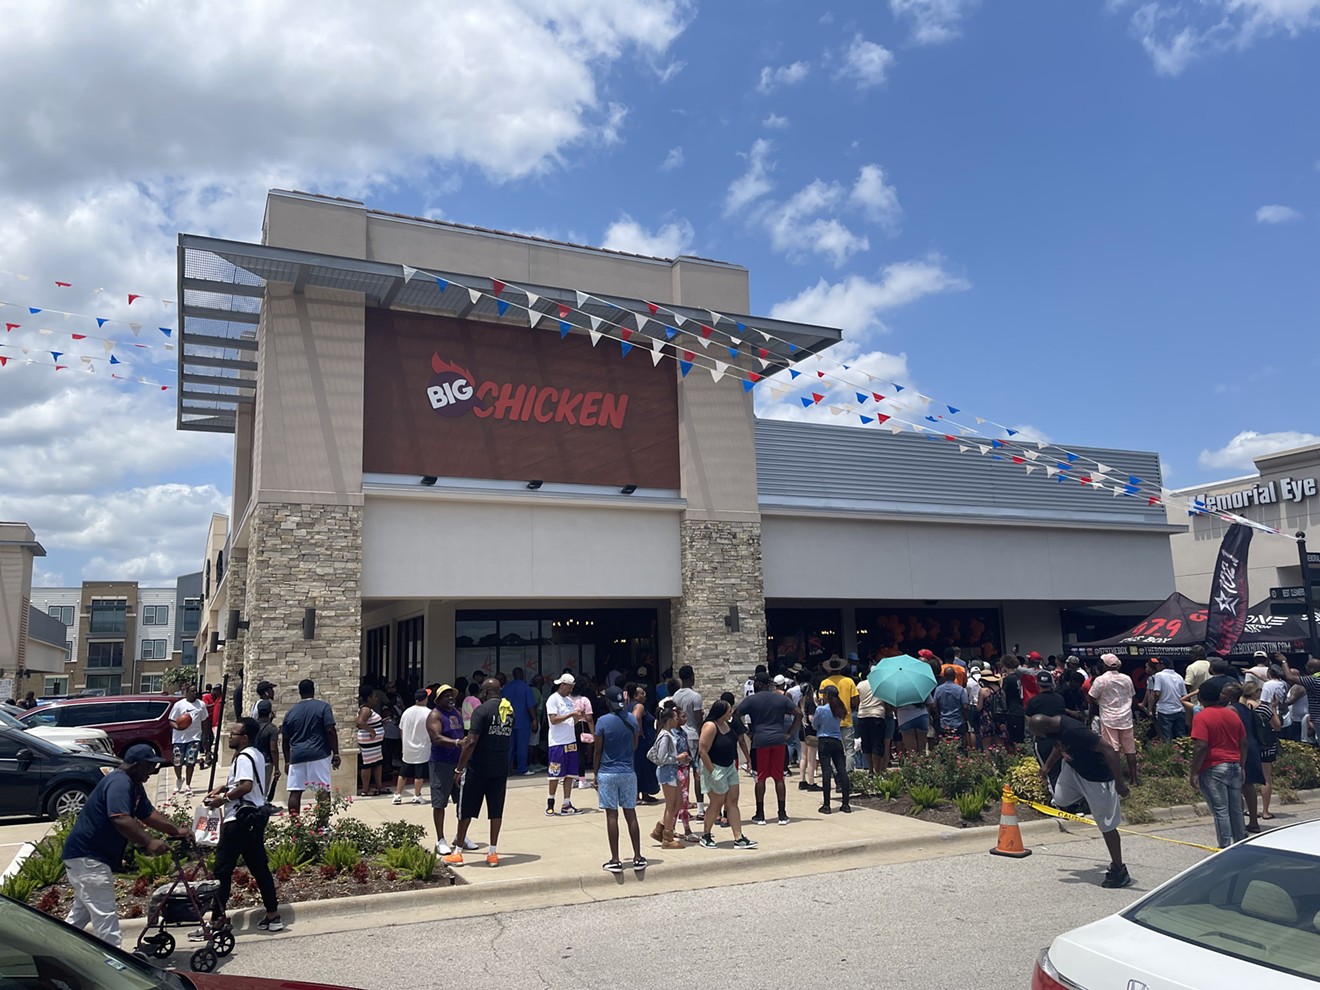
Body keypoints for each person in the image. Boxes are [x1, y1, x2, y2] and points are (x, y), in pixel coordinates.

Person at [61, 744, 192, 947]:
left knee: (81, 915)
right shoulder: (119, 783)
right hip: (88, 857)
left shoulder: (133, 784)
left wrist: (175, 831)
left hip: (87, 857)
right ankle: (116, 966)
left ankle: (57, 953)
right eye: (150, 766)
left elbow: (148, 814)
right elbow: (120, 818)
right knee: (105, 916)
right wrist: (149, 842)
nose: (153, 771)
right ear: (137, 766)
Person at [198, 718, 282, 936]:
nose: (229, 736)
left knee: (222, 870)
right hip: (253, 819)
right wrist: (223, 786)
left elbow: (246, 785)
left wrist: (222, 799)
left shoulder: (244, 757)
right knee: (259, 867)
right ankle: (273, 916)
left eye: (234, 734)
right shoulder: (254, 754)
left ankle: (217, 920)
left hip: (239, 820)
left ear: (244, 738)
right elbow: (243, 781)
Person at [1029, 714, 1132, 888]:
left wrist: (1120, 784)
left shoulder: (1075, 731)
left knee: (1107, 825)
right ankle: (1087, 799)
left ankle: (1119, 870)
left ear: (1046, 728)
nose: (1038, 738)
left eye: (1038, 734)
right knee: (1060, 799)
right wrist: (1047, 765)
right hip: (1074, 770)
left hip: (1098, 778)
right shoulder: (1053, 728)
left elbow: (1109, 750)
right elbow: (1059, 746)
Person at [443, 679, 514, 867]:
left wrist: (459, 768)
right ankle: (492, 853)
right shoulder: (508, 711)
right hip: (500, 768)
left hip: (478, 768)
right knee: (496, 810)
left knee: (465, 809)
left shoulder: (481, 711)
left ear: (485, 692)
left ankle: (457, 852)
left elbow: (471, 742)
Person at [735, 672, 801, 826]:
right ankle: (782, 814)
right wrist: (789, 733)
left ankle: (760, 814)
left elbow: (735, 716)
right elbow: (798, 713)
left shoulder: (751, 700)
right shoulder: (781, 699)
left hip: (760, 741)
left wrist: (747, 733)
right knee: (779, 778)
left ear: (758, 684)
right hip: (779, 740)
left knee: (760, 778)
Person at [1189, 677, 1246, 849]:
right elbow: (1243, 742)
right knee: (1235, 808)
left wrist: (1194, 772)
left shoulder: (1201, 717)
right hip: (1234, 764)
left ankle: (1224, 847)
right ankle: (1240, 842)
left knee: (1220, 810)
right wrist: (1242, 765)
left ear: (1201, 698)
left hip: (1213, 766)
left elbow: (1201, 746)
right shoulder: (1232, 714)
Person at [594, 686, 647, 873]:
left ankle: (615, 859)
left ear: (608, 702)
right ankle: (638, 857)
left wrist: (595, 774)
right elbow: (634, 745)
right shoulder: (631, 719)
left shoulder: (602, 721)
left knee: (611, 815)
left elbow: (598, 750)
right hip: (627, 771)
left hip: (608, 772)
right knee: (630, 813)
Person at [696, 701, 757, 850]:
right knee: (717, 803)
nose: (731, 713)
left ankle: (739, 837)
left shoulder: (727, 724)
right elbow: (703, 751)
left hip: (729, 767)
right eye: (729, 711)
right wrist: (712, 772)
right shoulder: (710, 726)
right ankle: (706, 835)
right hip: (715, 767)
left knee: (732, 802)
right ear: (722, 712)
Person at [281, 678, 341, 818]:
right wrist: (336, 753)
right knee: (322, 790)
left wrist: (287, 761)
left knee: (295, 791)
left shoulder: (290, 712)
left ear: (299, 692)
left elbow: (285, 739)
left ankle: (295, 826)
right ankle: (323, 826)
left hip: (297, 756)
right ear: (314, 690)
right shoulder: (323, 707)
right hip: (319, 754)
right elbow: (330, 730)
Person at [427, 685, 474, 856]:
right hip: (441, 763)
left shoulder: (456, 712)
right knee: (440, 803)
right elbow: (436, 737)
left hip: (458, 763)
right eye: (445, 696)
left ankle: (460, 837)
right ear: (438, 700)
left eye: (451, 695)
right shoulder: (435, 715)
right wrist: (457, 743)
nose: (450, 698)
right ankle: (440, 839)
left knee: (463, 801)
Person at [1088, 654, 1138, 784]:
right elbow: (1132, 697)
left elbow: (1091, 696)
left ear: (1104, 665)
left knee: (1112, 749)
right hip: (1126, 717)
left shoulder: (1101, 680)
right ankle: (1134, 779)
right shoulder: (1127, 678)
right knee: (1130, 750)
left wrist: (1100, 703)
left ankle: (1117, 778)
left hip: (1109, 718)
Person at [648, 703, 688, 850]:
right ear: (669, 719)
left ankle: (660, 829)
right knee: (671, 806)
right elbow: (662, 757)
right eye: (675, 717)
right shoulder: (665, 736)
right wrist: (678, 758)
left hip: (672, 771)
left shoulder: (669, 734)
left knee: (677, 804)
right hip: (667, 772)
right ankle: (668, 837)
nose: (677, 719)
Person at [545, 673, 583, 815]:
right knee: (555, 774)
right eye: (570, 687)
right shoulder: (553, 700)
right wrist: (571, 714)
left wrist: (577, 717)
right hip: (557, 743)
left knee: (570, 774)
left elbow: (569, 721)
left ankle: (566, 803)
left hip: (570, 741)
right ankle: (550, 802)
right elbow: (554, 720)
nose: (571, 690)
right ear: (563, 685)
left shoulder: (568, 700)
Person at [812, 685, 852, 814]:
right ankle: (846, 804)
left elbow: (815, 725)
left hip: (824, 740)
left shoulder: (821, 709)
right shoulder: (839, 708)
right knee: (841, 770)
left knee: (826, 771)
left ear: (827, 695)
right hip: (836, 740)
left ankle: (827, 805)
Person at [671, 666, 705, 816]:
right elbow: (698, 720)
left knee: (682, 774)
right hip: (693, 736)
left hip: (680, 736)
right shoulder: (695, 696)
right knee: (697, 772)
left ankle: (681, 808)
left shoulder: (675, 696)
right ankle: (700, 809)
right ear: (692, 676)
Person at [1025, 670, 1066, 782]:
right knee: (1061, 770)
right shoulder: (1059, 698)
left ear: (1038, 685)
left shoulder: (1033, 701)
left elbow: (1029, 720)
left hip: (1043, 739)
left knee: (1048, 771)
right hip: (1060, 737)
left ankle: (1055, 796)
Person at [169, 682, 209, 796]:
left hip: (194, 737)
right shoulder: (179, 705)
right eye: (192, 691)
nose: (194, 693)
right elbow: (171, 720)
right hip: (179, 738)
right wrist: (178, 727)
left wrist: (206, 737)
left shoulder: (201, 705)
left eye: (195, 691)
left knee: (190, 761)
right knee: (177, 762)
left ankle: (188, 785)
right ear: (186, 692)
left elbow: (204, 721)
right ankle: (179, 779)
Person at [393, 689, 431, 805]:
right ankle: (417, 795)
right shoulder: (429, 713)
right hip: (422, 747)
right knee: (419, 774)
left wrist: (404, 742)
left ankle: (397, 795)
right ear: (425, 698)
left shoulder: (406, 712)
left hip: (408, 747)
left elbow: (401, 729)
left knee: (403, 773)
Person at [501, 667, 539, 775]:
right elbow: (530, 705)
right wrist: (534, 719)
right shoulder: (525, 687)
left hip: (508, 721)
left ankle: (507, 769)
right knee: (522, 746)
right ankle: (522, 768)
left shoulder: (506, 688)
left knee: (510, 747)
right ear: (522, 675)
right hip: (523, 721)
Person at [821, 655, 859, 761]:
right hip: (846, 719)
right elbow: (855, 701)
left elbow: (822, 702)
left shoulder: (824, 683)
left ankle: (836, 772)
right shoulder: (849, 681)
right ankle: (849, 772)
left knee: (833, 750)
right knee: (849, 749)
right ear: (841, 668)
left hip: (831, 721)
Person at [629, 683, 660, 804]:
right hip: (643, 741)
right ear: (635, 696)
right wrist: (639, 731)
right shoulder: (639, 706)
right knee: (641, 767)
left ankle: (645, 793)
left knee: (644, 767)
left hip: (641, 741)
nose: (645, 696)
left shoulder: (630, 705)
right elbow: (636, 717)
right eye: (642, 693)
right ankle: (637, 795)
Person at [1145, 658, 1187, 741]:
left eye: (1157, 664)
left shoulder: (1159, 675)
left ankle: (1168, 753)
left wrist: (1153, 705)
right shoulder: (1179, 676)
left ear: (1162, 665)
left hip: (1164, 710)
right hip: (1179, 709)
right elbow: (1184, 695)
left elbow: (1157, 693)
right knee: (1181, 737)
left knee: (1166, 737)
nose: (1156, 666)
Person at [355, 687, 386, 797]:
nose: (376, 698)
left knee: (377, 763)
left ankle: (379, 786)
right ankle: (365, 789)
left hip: (374, 743)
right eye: (373, 696)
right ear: (368, 697)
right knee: (367, 765)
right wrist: (372, 731)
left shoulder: (368, 709)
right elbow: (360, 722)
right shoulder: (366, 709)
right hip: (369, 742)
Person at [855, 673, 888, 772]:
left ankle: (870, 770)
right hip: (877, 715)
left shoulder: (860, 684)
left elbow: (857, 700)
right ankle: (877, 770)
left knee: (866, 744)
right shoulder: (881, 685)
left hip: (863, 715)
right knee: (877, 743)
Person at [932, 667, 971, 745]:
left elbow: (934, 705)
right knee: (960, 746)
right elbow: (965, 706)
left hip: (944, 722)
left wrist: (939, 715)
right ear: (954, 676)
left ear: (944, 676)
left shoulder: (938, 689)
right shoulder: (961, 690)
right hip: (958, 722)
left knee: (946, 745)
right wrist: (966, 717)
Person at [254, 699, 281, 800]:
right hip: (266, 761)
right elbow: (273, 749)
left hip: (253, 760)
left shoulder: (253, 726)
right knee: (263, 789)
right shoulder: (272, 728)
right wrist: (277, 767)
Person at [1000, 655, 1027, 747]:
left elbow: (1002, 695)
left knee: (1012, 739)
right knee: (1021, 737)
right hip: (1021, 708)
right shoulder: (1019, 677)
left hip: (1012, 710)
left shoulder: (1007, 680)